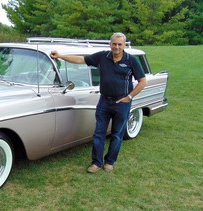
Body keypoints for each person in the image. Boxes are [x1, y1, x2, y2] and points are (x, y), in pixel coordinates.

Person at [50, 32, 147, 173]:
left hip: (122, 103)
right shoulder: (102, 56)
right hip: (104, 101)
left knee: (117, 134)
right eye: (114, 44)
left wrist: (129, 97)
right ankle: (96, 162)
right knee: (98, 133)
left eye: (120, 44)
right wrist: (60, 56)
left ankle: (110, 162)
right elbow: (81, 60)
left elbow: (142, 81)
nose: (117, 47)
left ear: (124, 45)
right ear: (110, 44)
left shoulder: (131, 60)